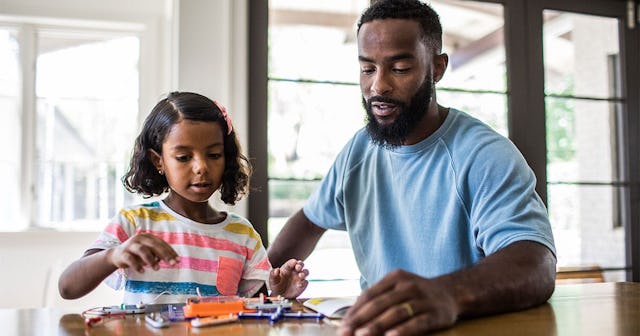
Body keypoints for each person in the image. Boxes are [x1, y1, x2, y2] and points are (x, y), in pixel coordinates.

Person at [267, 0, 557, 335]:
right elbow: (308, 221)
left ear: (437, 68)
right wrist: (257, 288)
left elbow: (535, 263)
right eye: (367, 69)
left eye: (400, 68)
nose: (378, 87)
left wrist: (446, 293)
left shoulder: (484, 154)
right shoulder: (359, 151)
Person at [59, 92, 308, 305]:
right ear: (159, 161)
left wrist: (280, 294)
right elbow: (68, 287)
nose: (201, 167)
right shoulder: (135, 223)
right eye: (183, 157)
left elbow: (255, 306)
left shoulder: (242, 234)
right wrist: (112, 255)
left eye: (213, 154)